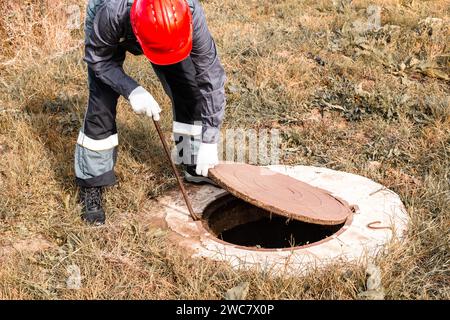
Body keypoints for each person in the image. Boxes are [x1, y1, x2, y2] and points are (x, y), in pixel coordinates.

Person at [75, 0, 226, 224]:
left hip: (166, 32)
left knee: (188, 87)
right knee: (102, 102)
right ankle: (92, 181)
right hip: (112, 27)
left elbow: (210, 77)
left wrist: (209, 139)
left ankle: (193, 161)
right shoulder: (111, 12)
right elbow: (99, 59)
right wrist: (132, 90)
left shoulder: (189, 12)